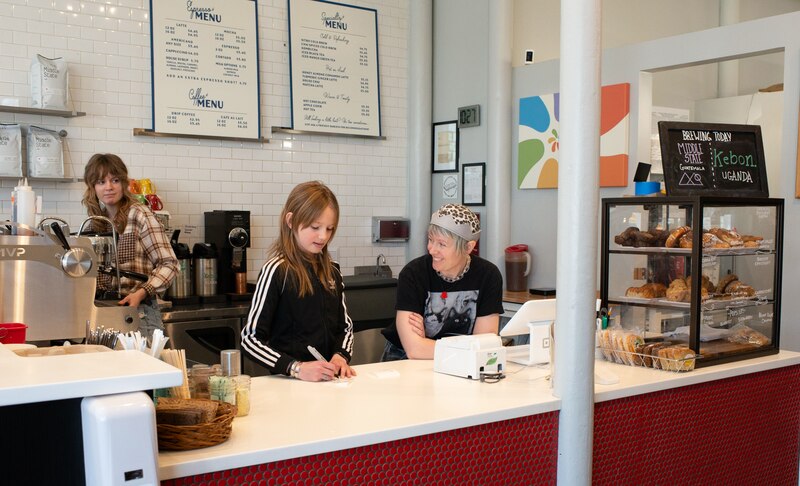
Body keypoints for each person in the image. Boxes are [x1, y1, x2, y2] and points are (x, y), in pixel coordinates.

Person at [241, 181, 355, 382]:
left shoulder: (332, 270)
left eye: (329, 229)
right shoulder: (276, 270)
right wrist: (296, 368)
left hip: (329, 382)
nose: (323, 236)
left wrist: (341, 355)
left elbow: (345, 327)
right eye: (315, 227)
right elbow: (250, 340)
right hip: (288, 384)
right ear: (291, 221)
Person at [381, 204, 504, 361]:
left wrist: (428, 343)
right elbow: (414, 350)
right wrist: (469, 347)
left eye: (442, 244)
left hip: (460, 362)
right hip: (402, 359)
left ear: (468, 247)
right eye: (431, 240)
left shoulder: (488, 276)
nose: (432, 249)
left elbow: (485, 343)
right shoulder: (413, 274)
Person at [81, 153, 178, 338]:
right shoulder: (95, 223)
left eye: (115, 180)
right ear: (92, 187)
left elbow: (169, 264)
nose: (108, 187)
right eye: (101, 182)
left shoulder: (140, 214)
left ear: (124, 184)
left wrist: (142, 293)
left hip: (139, 313)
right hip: (104, 314)